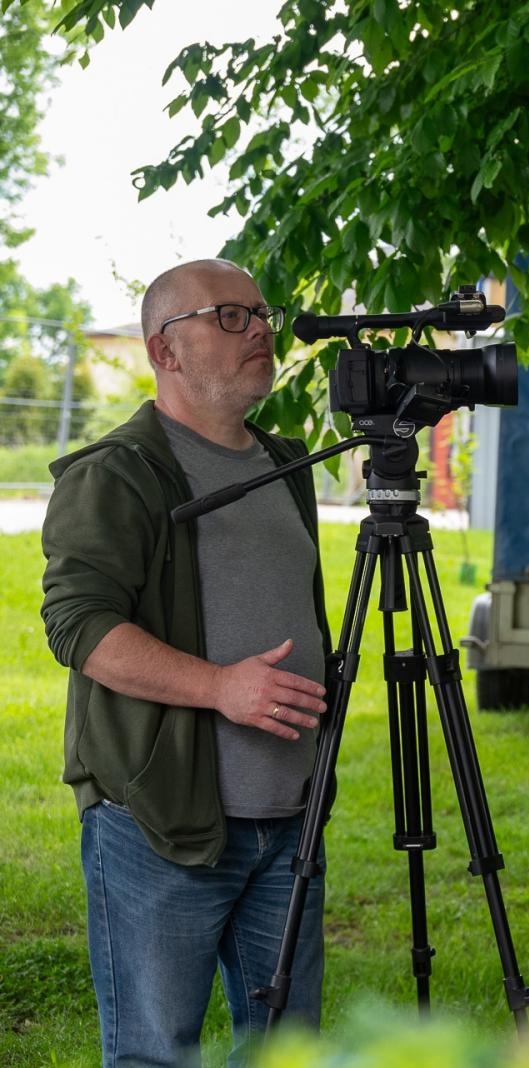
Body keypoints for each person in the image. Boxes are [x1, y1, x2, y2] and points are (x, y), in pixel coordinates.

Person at [40, 258, 333, 1066]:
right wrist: (220, 688)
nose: (261, 330)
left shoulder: (285, 465)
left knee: (287, 1052)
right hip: (160, 822)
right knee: (155, 1052)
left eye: (261, 313)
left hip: (288, 823)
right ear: (165, 350)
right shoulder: (117, 473)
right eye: (230, 317)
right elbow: (78, 625)